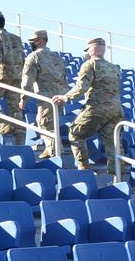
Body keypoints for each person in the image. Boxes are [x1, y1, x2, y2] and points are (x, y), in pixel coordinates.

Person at [52, 37, 123, 172]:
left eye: (88, 49)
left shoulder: (89, 64)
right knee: (113, 145)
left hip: (97, 108)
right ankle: (118, 177)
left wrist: (65, 97)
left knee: (75, 133)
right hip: (116, 110)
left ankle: (83, 168)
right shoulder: (114, 68)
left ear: (92, 50)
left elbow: (81, 88)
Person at [21, 29, 69, 158]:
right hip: (60, 95)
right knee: (51, 123)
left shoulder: (34, 56)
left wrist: (23, 98)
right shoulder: (56, 56)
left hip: (47, 96)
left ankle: (54, 153)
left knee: (44, 122)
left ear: (41, 41)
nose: (32, 43)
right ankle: (55, 149)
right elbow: (64, 77)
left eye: (34, 41)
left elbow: (27, 79)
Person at [0, 10, 26, 143]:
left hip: (3, 76)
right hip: (17, 77)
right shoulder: (16, 38)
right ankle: (19, 139)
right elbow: (23, 58)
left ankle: (7, 123)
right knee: (15, 108)